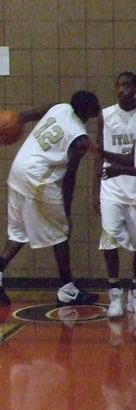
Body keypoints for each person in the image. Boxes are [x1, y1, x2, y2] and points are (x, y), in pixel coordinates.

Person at [0, 92, 102, 307]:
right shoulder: (80, 139)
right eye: (95, 106)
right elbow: (69, 177)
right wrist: (66, 210)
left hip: (18, 171)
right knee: (61, 232)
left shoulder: (60, 107)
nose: (98, 108)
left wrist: (0, 139)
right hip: (37, 177)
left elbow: (22, 117)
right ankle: (67, 290)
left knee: (19, 232)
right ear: (87, 111)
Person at [94, 72, 136, 317]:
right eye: (118, 85)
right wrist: (94, 189)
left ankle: (133, 293)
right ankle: (115, 295)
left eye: (127, 85)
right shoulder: (105, 115)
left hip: (133, 186)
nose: (121, 90)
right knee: (109, 242)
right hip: (111, 188)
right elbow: (98, 153)